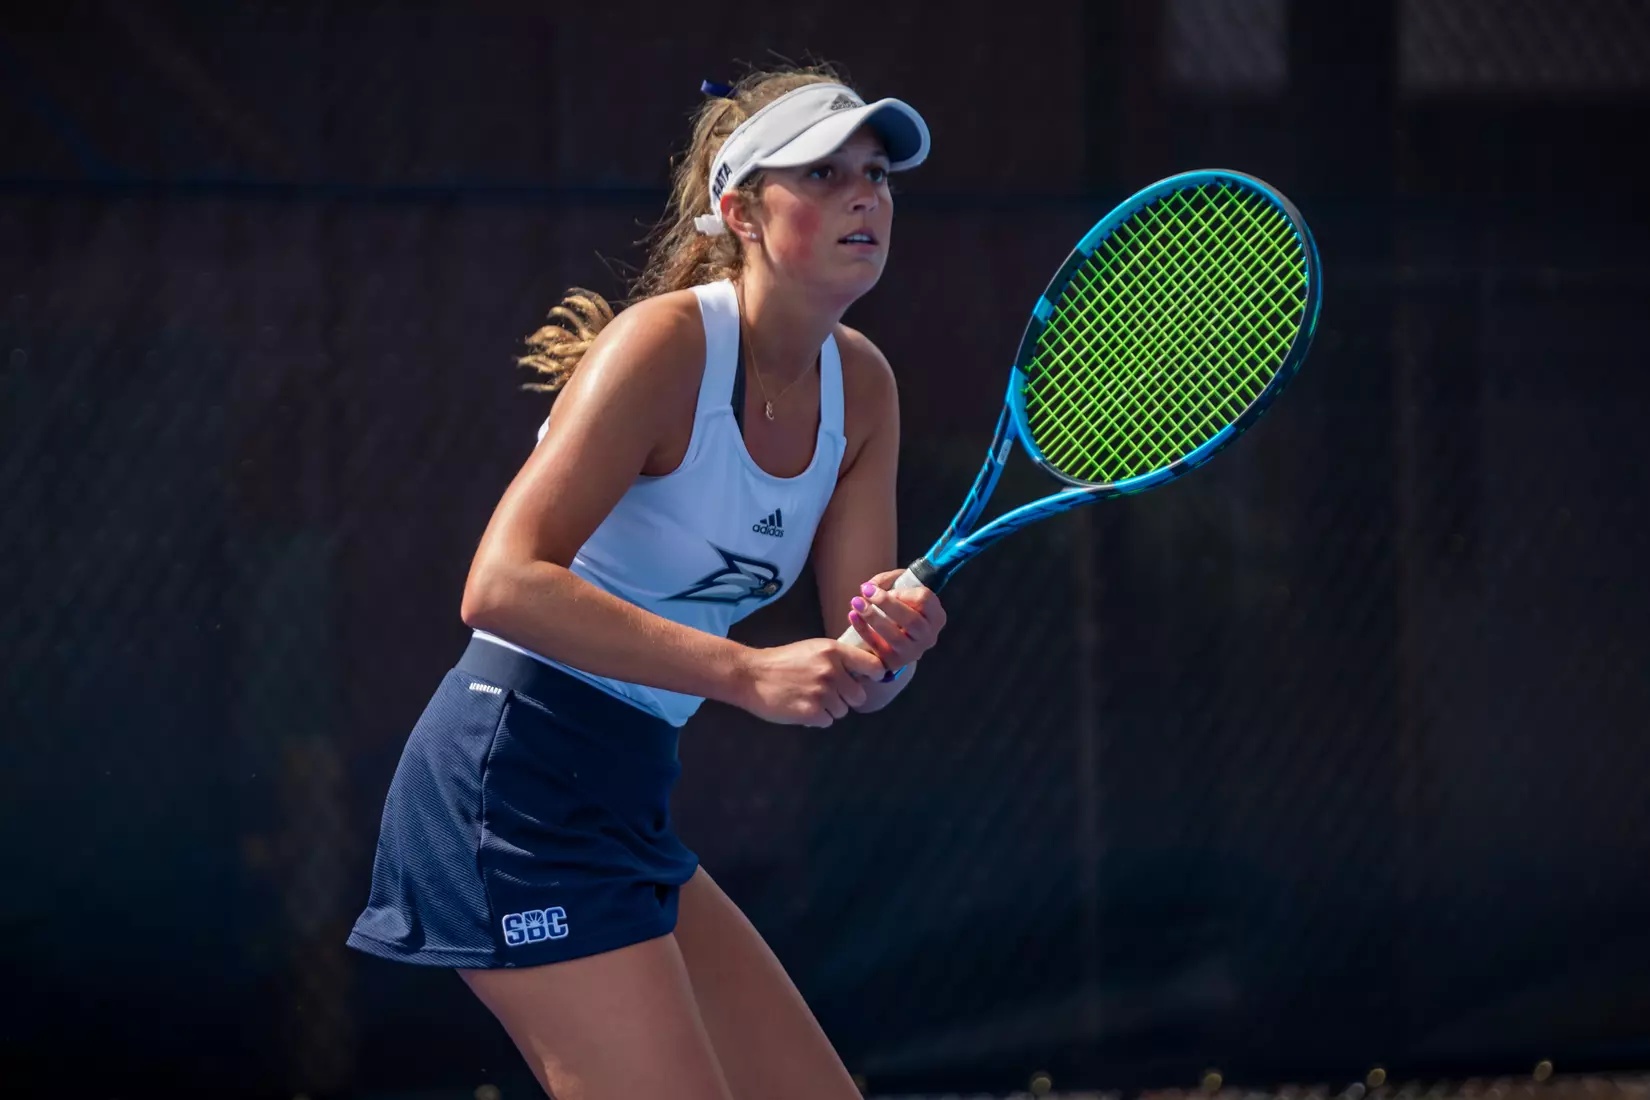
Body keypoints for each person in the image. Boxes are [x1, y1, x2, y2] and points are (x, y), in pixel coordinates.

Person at [347, 64, 948, 1099]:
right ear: (738, 212)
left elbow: (859, 663)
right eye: (824, 171)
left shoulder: (867, 390)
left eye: (878, 172)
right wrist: (748, 672)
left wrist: (890, 648)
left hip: (626, 796)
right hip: (510, 784)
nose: (866, 195)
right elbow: (499, 581)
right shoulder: (663, 349)